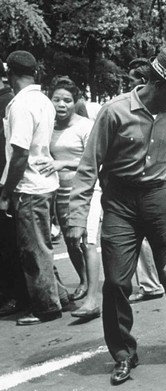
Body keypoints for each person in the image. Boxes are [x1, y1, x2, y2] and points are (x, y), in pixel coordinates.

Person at [66, 48, 166, 384]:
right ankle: (123, 353)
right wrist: (77, 218)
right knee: (116, 282)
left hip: (157, 201)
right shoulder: (114, 112)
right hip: (120, 203)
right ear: (157, 83)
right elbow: (87, 167)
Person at [0, 51, 64, 325]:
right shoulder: (43, 101)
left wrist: (6, 191)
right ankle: (58, 294)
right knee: (42, 245)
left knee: (33, 250)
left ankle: (46, 307)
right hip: (44, 183)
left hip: (30, 185)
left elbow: (20, 154)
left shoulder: (21, 105)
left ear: (9, 73)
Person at [37, 77, 102, 319]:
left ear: (75, 102)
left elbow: (95, 160)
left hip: (86, 191)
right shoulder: (47, 126)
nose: (61, 104)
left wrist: (63, 162)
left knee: (87, 240)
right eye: (56, 99)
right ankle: (84, 282)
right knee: (70, 240)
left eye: (67, 100)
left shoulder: (85, 126)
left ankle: (94, 298)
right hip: (59, 191)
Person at [126, 58, 166, 304]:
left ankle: (151, 283)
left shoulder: (162, 112)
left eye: (131, 81)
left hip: (147, 186)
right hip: (142, 186)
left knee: (144, 240)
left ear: (143, 82)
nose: (129, 85)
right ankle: (151, 281)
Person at [0, 58, 29, 318]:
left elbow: (17, 151)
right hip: (10, 180)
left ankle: (16, 296)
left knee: (11, 243)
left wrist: (6, 190)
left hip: (9, 181)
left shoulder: (10, 102)